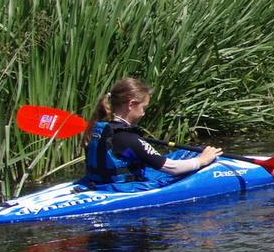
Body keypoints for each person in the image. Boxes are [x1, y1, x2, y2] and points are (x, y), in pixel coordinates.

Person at [79, 77, 222, 191]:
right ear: (131, 104)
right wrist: (202, 161)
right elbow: (172, 168)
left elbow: (124, 153)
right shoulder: (127, 138)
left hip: (97, 182)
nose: (143, 113)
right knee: (196, 158)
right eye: (143, 107)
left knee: (187, 152)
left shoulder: (96, 128)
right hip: (121, 187)